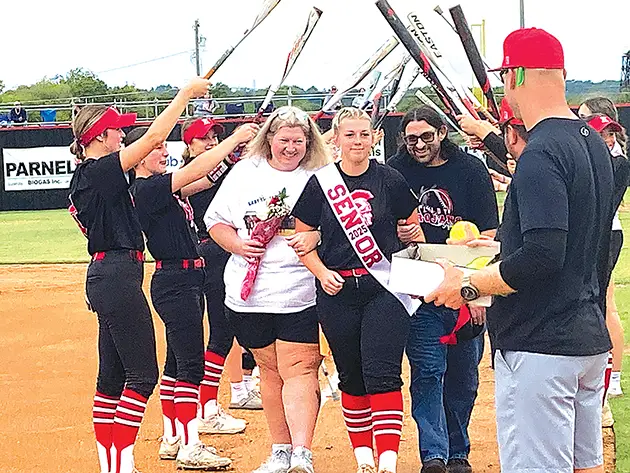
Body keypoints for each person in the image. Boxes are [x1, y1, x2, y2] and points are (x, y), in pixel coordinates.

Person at [426, 28, 614, 473]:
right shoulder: (592, 143)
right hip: (586, 340)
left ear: (516, 76)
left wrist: (468, 284)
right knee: (584, 464)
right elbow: (573, 242)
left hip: (541, 345)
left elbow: (543, 256)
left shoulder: (542, 150)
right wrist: (498, 246)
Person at [67, 77, 210, 473]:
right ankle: (122, 464)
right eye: (117, 131)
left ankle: (114, 466)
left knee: (112, 380)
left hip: (110, 274)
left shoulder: (98, 176)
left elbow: (182, 171)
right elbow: (152, 140)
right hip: (115, 273)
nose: (123, 135)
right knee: (142, 376)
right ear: (99, 136)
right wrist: (184, 95)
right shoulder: (97, 171)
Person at [292, 107, 424, 473]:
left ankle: (387, 462)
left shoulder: (391, 180)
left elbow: (412, 231)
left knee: (383, 372)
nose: (358, 142)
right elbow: (301, 238)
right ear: (335, 138)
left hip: (385, 288)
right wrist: (320, 272)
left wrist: (412, 234)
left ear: (375, 138)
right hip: (337, 290)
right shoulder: (321, 183)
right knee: (350, 374)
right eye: (350, 135)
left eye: (364, 134)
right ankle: (363, 460)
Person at [205, 105, 328, 473]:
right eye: (284, 140)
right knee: (269, 370)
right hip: (250, 292)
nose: (290, 148)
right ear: (269, 139)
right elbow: (217, 221)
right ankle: (280, 449)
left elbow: (338, 228)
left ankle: (302, 454)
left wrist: (316, 235)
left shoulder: (321, 175)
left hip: (300, 289)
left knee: (300, 368)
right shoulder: (245, 172)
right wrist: (239, 245)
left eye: (298, 141)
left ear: (309, 143)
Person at [127, 122, 257, 468]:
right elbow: (195, 170)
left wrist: (231, 156)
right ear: (139, 156)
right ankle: (190, 445)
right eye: (156, 149)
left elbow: (207, 179)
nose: (164, 153)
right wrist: (234, 138)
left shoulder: (155, 189)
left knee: (175, 364)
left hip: (181, 277)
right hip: (176, 279)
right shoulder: (148, 188)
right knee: (189, 367)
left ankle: (173, 437)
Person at [387, 106, 498, 473]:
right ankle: (433, 455)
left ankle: (458, 451)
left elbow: (490, 235)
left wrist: (478, 293)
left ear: (442, 133)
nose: (417, 145)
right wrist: (401, 232)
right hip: (420, 290)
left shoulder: (471, 170)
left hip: (467, 288)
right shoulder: (396, 170)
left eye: (426, 137)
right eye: (411, 138)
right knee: (427, 372)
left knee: (464, 379)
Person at [180, 117, 261, 441]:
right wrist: (232, 148)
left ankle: (229, 394)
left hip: (227, 252)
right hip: (210, 254)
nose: (211, 141)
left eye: (215, 136)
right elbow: (205, 179)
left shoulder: (224, 167)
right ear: (189, 145)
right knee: (220, 331)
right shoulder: (189, 173)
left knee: (229, 330)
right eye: (203, 138)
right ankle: (208, 408)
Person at [580, 98, 629, 399]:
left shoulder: (616, 161)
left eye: (585, 118)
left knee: (604, 304)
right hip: (602, 234)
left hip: (605, 235)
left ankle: (613, 376)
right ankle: (610, 375)